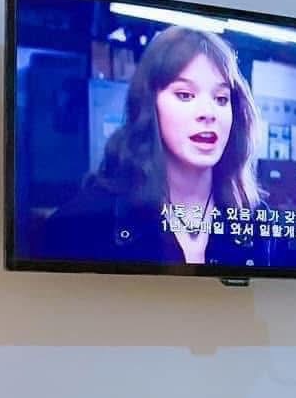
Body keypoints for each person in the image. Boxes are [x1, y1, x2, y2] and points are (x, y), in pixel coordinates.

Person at [41, 24, 271, 269]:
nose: (208, 112)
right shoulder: (81, 224)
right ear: (149, 106)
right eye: (185, 95)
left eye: (221, 98)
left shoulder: (256, 220)